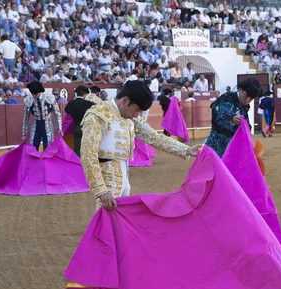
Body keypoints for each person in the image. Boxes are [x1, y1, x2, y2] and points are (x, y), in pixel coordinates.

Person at [80, 80, 201, 211]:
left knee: (119, 218)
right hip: (106, 177)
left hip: (123, 172)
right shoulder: (98, 115)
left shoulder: (130, 117)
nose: (138, 114)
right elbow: (88, 155)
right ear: (125, 100)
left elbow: (155, 137)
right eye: (137, 109)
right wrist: (101, 190)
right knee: (106, 219)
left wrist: (186, 149)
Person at [204, 78, 263, 158]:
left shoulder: (244, 107)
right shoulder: (227, 97)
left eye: (251, 98)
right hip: (216, 141)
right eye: (246, 96)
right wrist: (231, 117)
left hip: (232, 145)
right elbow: (220, 115)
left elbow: (247, 125)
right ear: (240, 90)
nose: (248, 100)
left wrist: (246, 127)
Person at [22, 81, 62, 151]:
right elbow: (26, 117)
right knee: (32, 150)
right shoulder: (28, 99)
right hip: (35, 126)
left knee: (48, 150)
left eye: (35, 94)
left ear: (40, 91)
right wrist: (24, 133)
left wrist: (59, 128)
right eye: (32, 94)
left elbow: (57, 113)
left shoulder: (49, 97)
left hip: (48, 126)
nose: (34, 96)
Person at [65, 85, 93, 157]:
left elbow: (66, 110)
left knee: (77, 148)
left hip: (76, 127)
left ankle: (77, 164)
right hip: (86, 127)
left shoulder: (71, 103)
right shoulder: (88, 103)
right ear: (85, 94)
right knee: (87, 148)